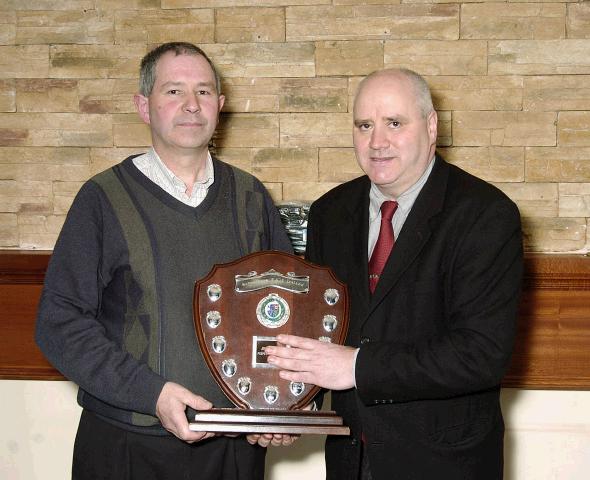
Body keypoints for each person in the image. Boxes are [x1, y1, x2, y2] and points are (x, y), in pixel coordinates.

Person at [35, 42, 295, 480]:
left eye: (204, 92)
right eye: (173, 91)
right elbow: (58, 322)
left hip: (232, 452)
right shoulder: (102, 200)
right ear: (143, 106)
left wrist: (281, 402)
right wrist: (151, 394)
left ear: (221, 105)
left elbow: (288, 318)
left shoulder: (252, 199)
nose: (191, 105)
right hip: (126, 448)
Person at [264, 68, 523, 479]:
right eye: (364, 125)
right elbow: (321, 328)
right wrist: (291, 402)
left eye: (395, 123)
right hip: (351, 461)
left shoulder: (485, 215)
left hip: (443, 463)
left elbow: (481, 355)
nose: (377, 142)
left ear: (432, 126)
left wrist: (356, 368)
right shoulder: (330, 213)